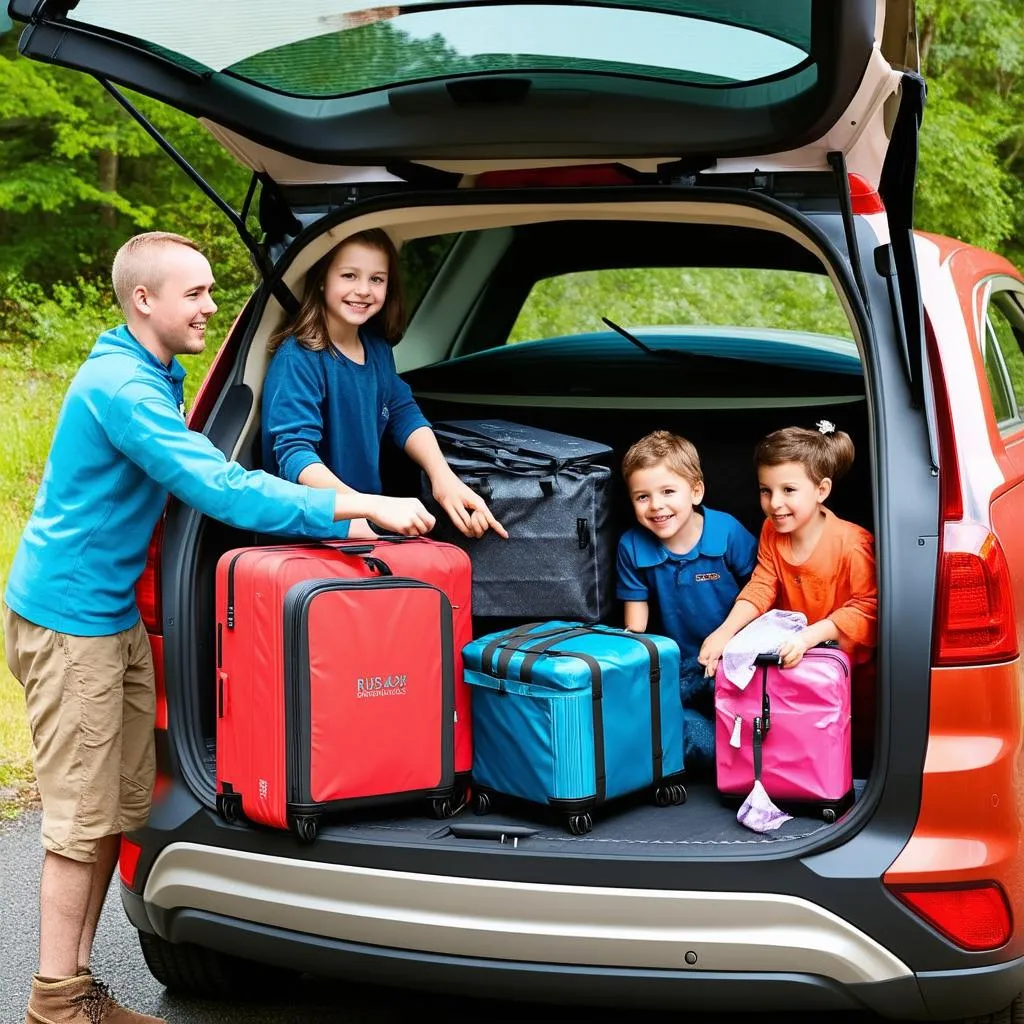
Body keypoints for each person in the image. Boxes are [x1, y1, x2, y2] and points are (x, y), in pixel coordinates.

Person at [3, 231, 437, 1024]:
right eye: (197, 294)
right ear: (144, 301)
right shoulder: (124, 390)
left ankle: (73, 989)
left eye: (209, 292)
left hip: (109, 618)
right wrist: (363, 506)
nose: (211, 307)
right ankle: (52, 1001)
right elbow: (224, 489)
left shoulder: (155, 372)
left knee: (120, 805)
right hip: (72, 627)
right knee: (79, 821)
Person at [261, 229, 508, 541]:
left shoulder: (376, 348)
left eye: (376, 279)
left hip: (365, 519)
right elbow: (294, 455)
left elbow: (403, 412)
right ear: (322, 278)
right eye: (349, 275)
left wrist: (443, 477)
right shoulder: (300, 358)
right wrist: (367, 507)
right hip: (311, 529)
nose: (363, 290)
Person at [616, 431, 758, 769]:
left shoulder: (726, 532)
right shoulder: (632, 546)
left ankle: (746, 744)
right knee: (668, 723)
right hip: (679, 670)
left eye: (667, 492)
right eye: (642, 497)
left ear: (696, 490)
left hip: (733, 665)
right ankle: (726, 751)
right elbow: (636, 626)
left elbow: (761, 594)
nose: (656, 506)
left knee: (744, 709)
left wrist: (731, 643)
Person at [697, 421, 877, 678]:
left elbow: (866, 609)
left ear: (822, 490)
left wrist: (809, 637)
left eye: (788, 490)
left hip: (847, 671)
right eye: (765, 491)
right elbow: (762, 585)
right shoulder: (771, 529)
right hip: (791, 662)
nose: (775, 503)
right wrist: (725, 632)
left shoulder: (853, 544)